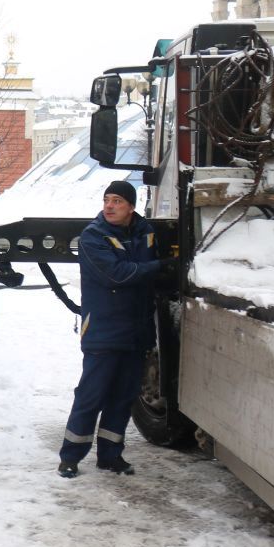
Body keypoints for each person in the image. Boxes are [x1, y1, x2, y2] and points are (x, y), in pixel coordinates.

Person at [57, 180, 171, 479]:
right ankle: (70, 457)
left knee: (123, 398)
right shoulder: (93, 237)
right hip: (104, 332)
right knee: (90, 396)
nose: (109, 206)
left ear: (131, 206)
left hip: (136, 332)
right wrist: (159, 267)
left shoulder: (145, 233)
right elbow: (118, 275)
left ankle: (110, 456)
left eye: (117, 201)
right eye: (107, 199)